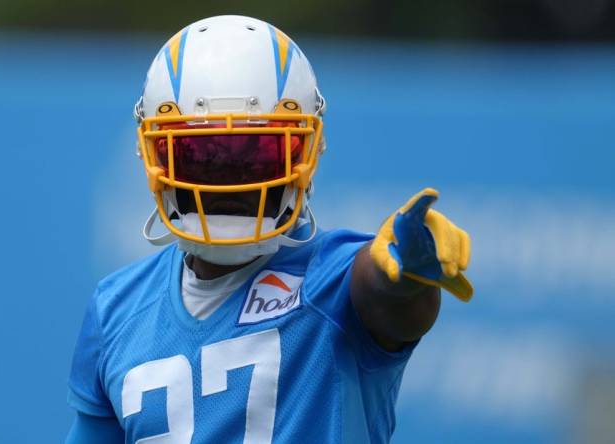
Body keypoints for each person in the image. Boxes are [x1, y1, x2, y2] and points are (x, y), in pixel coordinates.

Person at [65, 15, 472, 444]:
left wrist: (406, 277)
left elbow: (385, 295)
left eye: (256, 156)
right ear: (155, 160)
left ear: (305, 155)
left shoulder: (332, 280)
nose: (230, 181)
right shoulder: (116, 309)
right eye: (200, 156)